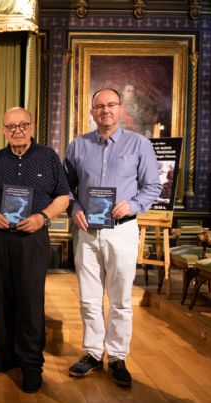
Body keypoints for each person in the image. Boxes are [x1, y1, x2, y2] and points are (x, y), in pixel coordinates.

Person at [64, 88, 161, 387]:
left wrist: (131, 205)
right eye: (99, 106)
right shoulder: (77, 146)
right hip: (88, 233)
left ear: (120, 109)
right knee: (89, 297)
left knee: (120, 299)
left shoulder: (140, 145)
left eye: (111, 105)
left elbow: (153, 187)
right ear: (92, 112)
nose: (105, 110)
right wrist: (74, 208)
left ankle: (118, 356)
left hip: (123, 231)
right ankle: (92, 353)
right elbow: (65, 188)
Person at [0, 107, 69, 393]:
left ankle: (30, 362)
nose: (17, 130)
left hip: (32, 238)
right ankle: (6, 353)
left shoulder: (48, 157)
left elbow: (64, 195)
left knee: (29, 300)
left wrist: (43, 217)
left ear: (32, 126)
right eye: (11, 126)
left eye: (22, 125)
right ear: (3, 130)